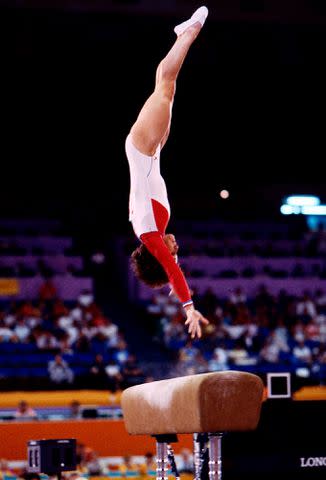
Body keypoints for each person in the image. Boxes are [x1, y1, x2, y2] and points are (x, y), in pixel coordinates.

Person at [126, 6, 210, 339]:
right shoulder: (151, 228)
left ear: (160, 255)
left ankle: (188, 33)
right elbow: (171, 268)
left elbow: (172, 269)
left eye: (173, 251)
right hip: (153, 150)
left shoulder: (148, 234)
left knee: (166, 84)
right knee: (166, 87)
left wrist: (188, 305)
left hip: (142, 147)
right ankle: (182, 35)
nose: (177, 247)